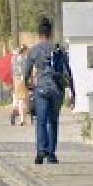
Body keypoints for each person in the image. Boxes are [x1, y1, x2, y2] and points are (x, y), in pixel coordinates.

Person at [23, 17, 75, 165]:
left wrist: (28, 85)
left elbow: (26, 72)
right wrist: (72, 91)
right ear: (50, 32)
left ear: (39, 34)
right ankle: (51, 154)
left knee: (41, 121)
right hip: (57, 89)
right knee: (53, 121)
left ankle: (41, 152)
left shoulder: (34, 50)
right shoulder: (58, 48)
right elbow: (68, 70)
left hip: (41, 89)